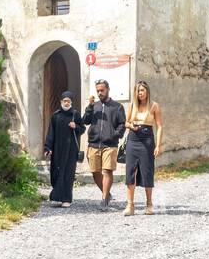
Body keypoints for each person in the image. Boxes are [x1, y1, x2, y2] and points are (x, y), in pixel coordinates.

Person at [82, 78, 127, 210]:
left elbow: (122, 124)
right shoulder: (94, 106)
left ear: (108, 89)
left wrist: (115, 134)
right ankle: (107, 194)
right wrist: (89, 106)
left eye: (102, 90)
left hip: (110, 145)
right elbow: (85, 121)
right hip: (94, 143)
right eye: (98, 91)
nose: (100, 93)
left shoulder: (117, 106)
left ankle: (104, 200)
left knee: (107, 171)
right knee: (95, 172)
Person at [122, 80, 163, 216]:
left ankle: (149, 204)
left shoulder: (154, 106)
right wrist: (131, 126)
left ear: (147, 91)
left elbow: (159, 126)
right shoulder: (133, 105)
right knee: (130, 172)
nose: (140, 93)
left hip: (147, 140)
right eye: (138, 91)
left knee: (147, 171)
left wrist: (158, 145)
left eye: (142, 90)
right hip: (133, 139)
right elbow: (126, 122)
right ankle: (130, 205)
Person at [43, 91, 84, 208]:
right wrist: (48, 147)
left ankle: (67, 199)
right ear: (61, 102)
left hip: (71, 150)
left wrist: (75, 126)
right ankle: (57, 197)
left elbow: (82, 129)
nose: (66, 103)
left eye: (68, 101)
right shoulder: (55, 116)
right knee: (56, 172)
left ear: (71, 102)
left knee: (68, 174)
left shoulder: (75, 115)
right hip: (57, 149)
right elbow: (51, 133)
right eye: (64, 101)